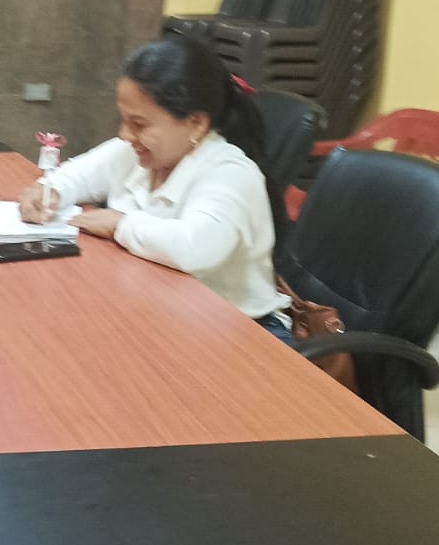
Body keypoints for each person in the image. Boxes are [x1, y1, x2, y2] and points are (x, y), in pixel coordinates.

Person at [19, 36, 292, 338]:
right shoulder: (136, 153)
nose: (125, 135)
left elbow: (195, 249)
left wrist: (119, 224)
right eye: (124, 120)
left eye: (139, 124)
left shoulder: (230, 172)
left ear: (196, 124)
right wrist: (48, 191)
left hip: (241, 331)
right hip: (165, 311)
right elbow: (76, 176)